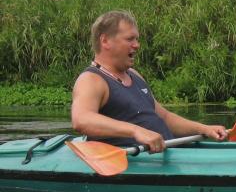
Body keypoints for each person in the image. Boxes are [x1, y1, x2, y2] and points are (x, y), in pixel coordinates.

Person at [71, 10, 227, 152]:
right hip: (138, 163)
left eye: (137, 39)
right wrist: (135, 131)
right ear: (105, 41)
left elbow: (165, 117)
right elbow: (81, 120)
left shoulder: (133, 75)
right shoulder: (91, 79)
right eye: (130, 39)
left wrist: (204, 128)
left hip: (170, 155)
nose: (137, 45)